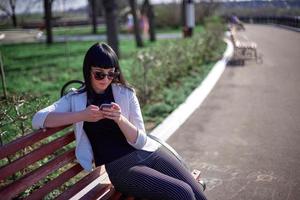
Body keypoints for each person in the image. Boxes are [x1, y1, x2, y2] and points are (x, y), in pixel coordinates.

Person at [32, 42, 207, 200]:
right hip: (122, 167)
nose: (106, 80)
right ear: (88, 71)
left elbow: (140, 140)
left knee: (198, 194)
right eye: (99, 74)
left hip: (150, 152)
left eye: (111, 74)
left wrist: (120, 119)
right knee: (181, 193)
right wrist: (82, 115)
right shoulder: (75, 99)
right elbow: (38, 119)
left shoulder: (125, 93)